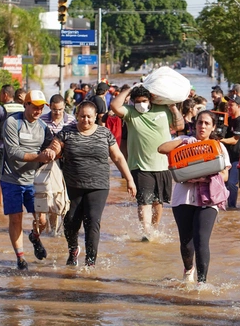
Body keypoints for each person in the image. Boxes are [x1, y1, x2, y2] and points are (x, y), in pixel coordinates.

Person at [49, 101, 136, 266]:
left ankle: (90, 262)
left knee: (92, 221)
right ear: (77, 116)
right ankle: (73, 250)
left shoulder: (105, 133)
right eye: (82, 116)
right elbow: (56, 147)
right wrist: (52, 150)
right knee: (70, 221)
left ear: (95, 117)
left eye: (89, 117)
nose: (86, 120)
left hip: (98, 185)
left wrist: (129, 180)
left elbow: (117, 157)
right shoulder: (67, 132)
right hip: (72, 185)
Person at [158, 111, 231, 283]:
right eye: (200, 122)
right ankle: (188, 268)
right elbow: (161, 149)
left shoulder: (218, 147)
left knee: (201, 240)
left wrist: (206, 177)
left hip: (209, 198)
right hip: (183, 198)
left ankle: (202, 283)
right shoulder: (184, 142)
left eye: (207, 123)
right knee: (186, 242)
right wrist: (183, 141)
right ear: (195, 124)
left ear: (213, 127)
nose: (203, 126)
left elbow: (225, 174)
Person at [109, 85, 184, 240]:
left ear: (150, 100)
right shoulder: (130, 113)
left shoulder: (163, 110)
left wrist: (174, 109)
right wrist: (129, 89)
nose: (141, 104)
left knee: (158, 202)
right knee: (145, 201)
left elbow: (179, 126)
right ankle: (147, 231)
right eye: (137, 101)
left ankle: (154, 229)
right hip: (139, 165)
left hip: (163, 165)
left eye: (143, 101)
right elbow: (115, 106)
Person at [0, 90, 55, 269]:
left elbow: (52, 144)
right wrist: (39, 157)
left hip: (34, 181)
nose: (38, 111)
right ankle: (20, 258)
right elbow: (13, 152)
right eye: (35, 106)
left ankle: (35, 237)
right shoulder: (12, 122)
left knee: (42, 220)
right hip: (11, 179)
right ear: (26, 104)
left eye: (41, 108)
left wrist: (54, 150)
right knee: (16, 218)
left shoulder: (43, 127)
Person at [38, 94, 75, 234]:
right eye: (54, 110)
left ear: (64, 107)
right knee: (51, 195)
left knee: (65, 196)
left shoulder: (71, 120)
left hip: (66, 163)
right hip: (48, 164)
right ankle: (53, 230)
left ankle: (64, 229)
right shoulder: (42, 120)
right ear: (49, 107)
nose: (57, 113)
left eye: (60, 109)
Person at [0, 85, 25, 205]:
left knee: (1, 176)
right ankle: (18, 202)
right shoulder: (22, 108)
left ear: (5, 94)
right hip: (19, 146)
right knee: (18, 175)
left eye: (0, 94)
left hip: (2, 147)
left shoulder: (0, 109)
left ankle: (0, 204)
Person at [219, 96, 240, 208]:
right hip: (228, 157)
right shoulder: (229, 119)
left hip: (239, 158)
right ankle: (223, 206)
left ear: (239, 107)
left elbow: (234, 140)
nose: (229, 107)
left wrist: (220, 140)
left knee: (231, 183)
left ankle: (232, 207)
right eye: (228, 105)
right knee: (223, 182)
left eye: (231, 105)